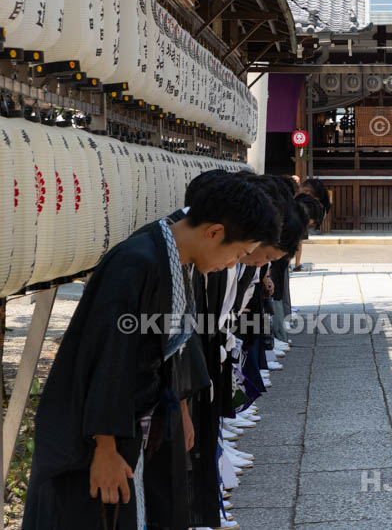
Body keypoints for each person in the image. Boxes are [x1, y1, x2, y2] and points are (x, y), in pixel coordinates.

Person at [24, 175, 280, 530]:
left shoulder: (169, 253)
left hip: (133, 421)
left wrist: (182, 409)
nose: (234, 264)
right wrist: (105, 447)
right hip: (94, 435)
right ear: (214, 232)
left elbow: (167, 351)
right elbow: (108, 357)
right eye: (238, 253)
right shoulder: (137, 262)